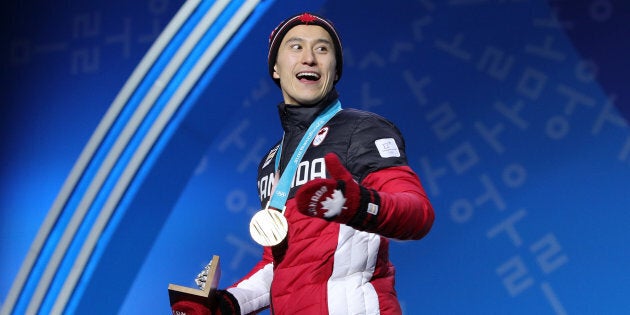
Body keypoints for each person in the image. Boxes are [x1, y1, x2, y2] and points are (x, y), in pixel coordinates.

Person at [172, 12, 435, 315]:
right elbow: (280, 264)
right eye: (296, 47)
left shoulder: (362, 129)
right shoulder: (271, 162)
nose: (309, 57)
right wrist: (226, 304)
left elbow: (418, 213)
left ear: (335, 71)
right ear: (275, 68)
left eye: (322, 49)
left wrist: (359, 206)